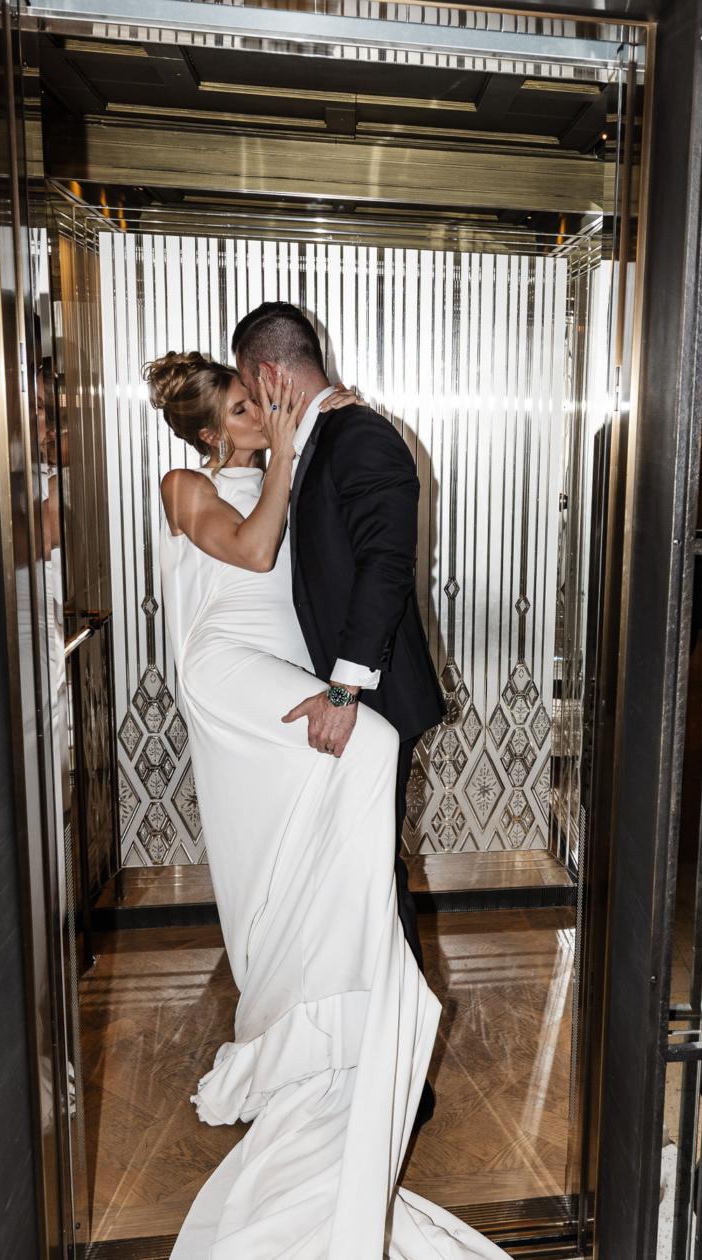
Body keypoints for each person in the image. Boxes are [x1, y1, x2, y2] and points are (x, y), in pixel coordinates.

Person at [152, 349, 506, 1260]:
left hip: (290, 676)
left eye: (255, 398)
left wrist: (308, 435)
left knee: (305, 838)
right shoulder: (185, 487)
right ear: (205, 435)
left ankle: (335, 1010)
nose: (255, 414)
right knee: (370, 746)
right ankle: (362, 993)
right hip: (227, 671)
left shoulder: (294, 460)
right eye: (238, 409)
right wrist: (291, 440)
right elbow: (257, 548)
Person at [232, 302, 446, 1129]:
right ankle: (368, 1054)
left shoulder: (363, 436)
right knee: (360, 884)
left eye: (252, 391)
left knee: (376, 887)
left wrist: (346, 689)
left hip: (372, 703)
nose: (253, 408)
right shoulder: (324, 436)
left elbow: (388, 565)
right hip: (350, 701)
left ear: (270, 376)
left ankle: (404, 1076)